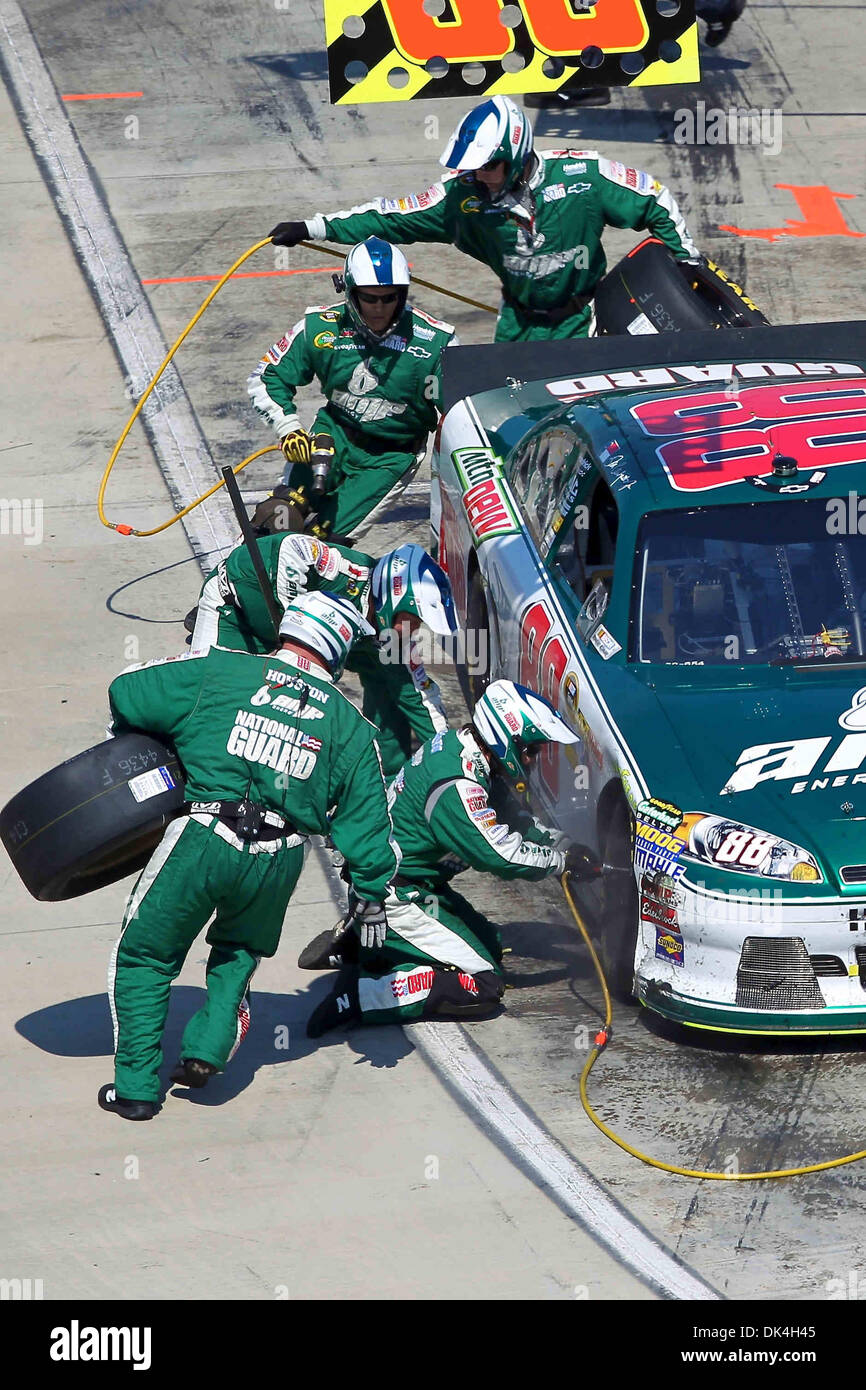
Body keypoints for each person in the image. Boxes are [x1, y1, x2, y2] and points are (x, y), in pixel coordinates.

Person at [98, 592, 397, 1121]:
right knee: (237, 952)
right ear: (339, 652)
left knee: (145, 957)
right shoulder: (353, 729)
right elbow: (371, 833)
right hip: (280, 857)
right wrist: (369, 897)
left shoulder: (223, 671)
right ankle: (206, 1051)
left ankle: (136, 1091)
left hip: (204, 835)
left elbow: (127, 691)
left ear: (287, 629)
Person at [269, 95, 699, 342]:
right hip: (517, 323)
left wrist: (686, 265)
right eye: (472, 170)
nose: (479, 178)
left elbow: (655, 199)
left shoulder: (584, 175)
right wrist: (312, 228)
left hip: (585, 320)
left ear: (514, 156)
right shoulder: (462, 200)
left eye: (488, 168)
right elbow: (389, 217)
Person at [301, 680, 596, 1036]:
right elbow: (499, 853)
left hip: (415, 883)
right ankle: (364, 993)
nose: (532, 759)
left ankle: (369, 944)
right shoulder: (459, 784)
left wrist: (564, 845)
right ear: (505, 736)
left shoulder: (464, 748)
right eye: (530, 749)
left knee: (491, 943)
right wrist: (560, 863)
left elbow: (514, 819)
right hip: (393, 892)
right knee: (484, 983)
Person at [190, 537, 457, 776]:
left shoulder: (393, 639)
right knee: (209, 703)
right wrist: (291, 628)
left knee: (395, 681)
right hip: (232, 611)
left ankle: (381, 776)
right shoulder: (346, 571)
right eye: (413, 620)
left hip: (308, 635)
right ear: (395, 596)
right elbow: (291, 547)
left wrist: (451, 757)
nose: (415, 631)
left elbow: (423, 697)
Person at [247, 236, 458, 538]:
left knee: (325, 542)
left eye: (389, 298)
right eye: (369, 298)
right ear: (349, 291)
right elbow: (267, 376)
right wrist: (289, 427)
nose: (379, 308)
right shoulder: (319, 328)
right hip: (330, 438)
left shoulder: (435, 343)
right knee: (275, 520)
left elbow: (459, 411)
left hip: (389, 459)